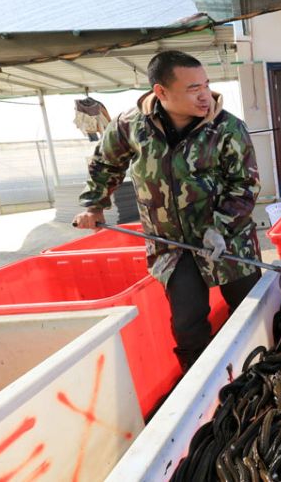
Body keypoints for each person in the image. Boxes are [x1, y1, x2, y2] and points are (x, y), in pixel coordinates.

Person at [74, 50, 260, 371]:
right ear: (161, 92)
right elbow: (106, 162)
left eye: (206, 84)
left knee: (250, 314)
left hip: (228, 242)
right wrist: (95, 204)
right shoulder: (130, 126)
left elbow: (244, 184)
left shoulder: (228, 128)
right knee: (188, 327)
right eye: (192, 89)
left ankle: (257, 373)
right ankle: (201, 391)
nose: (205, 95)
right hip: (171, 247)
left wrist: (221, 228)